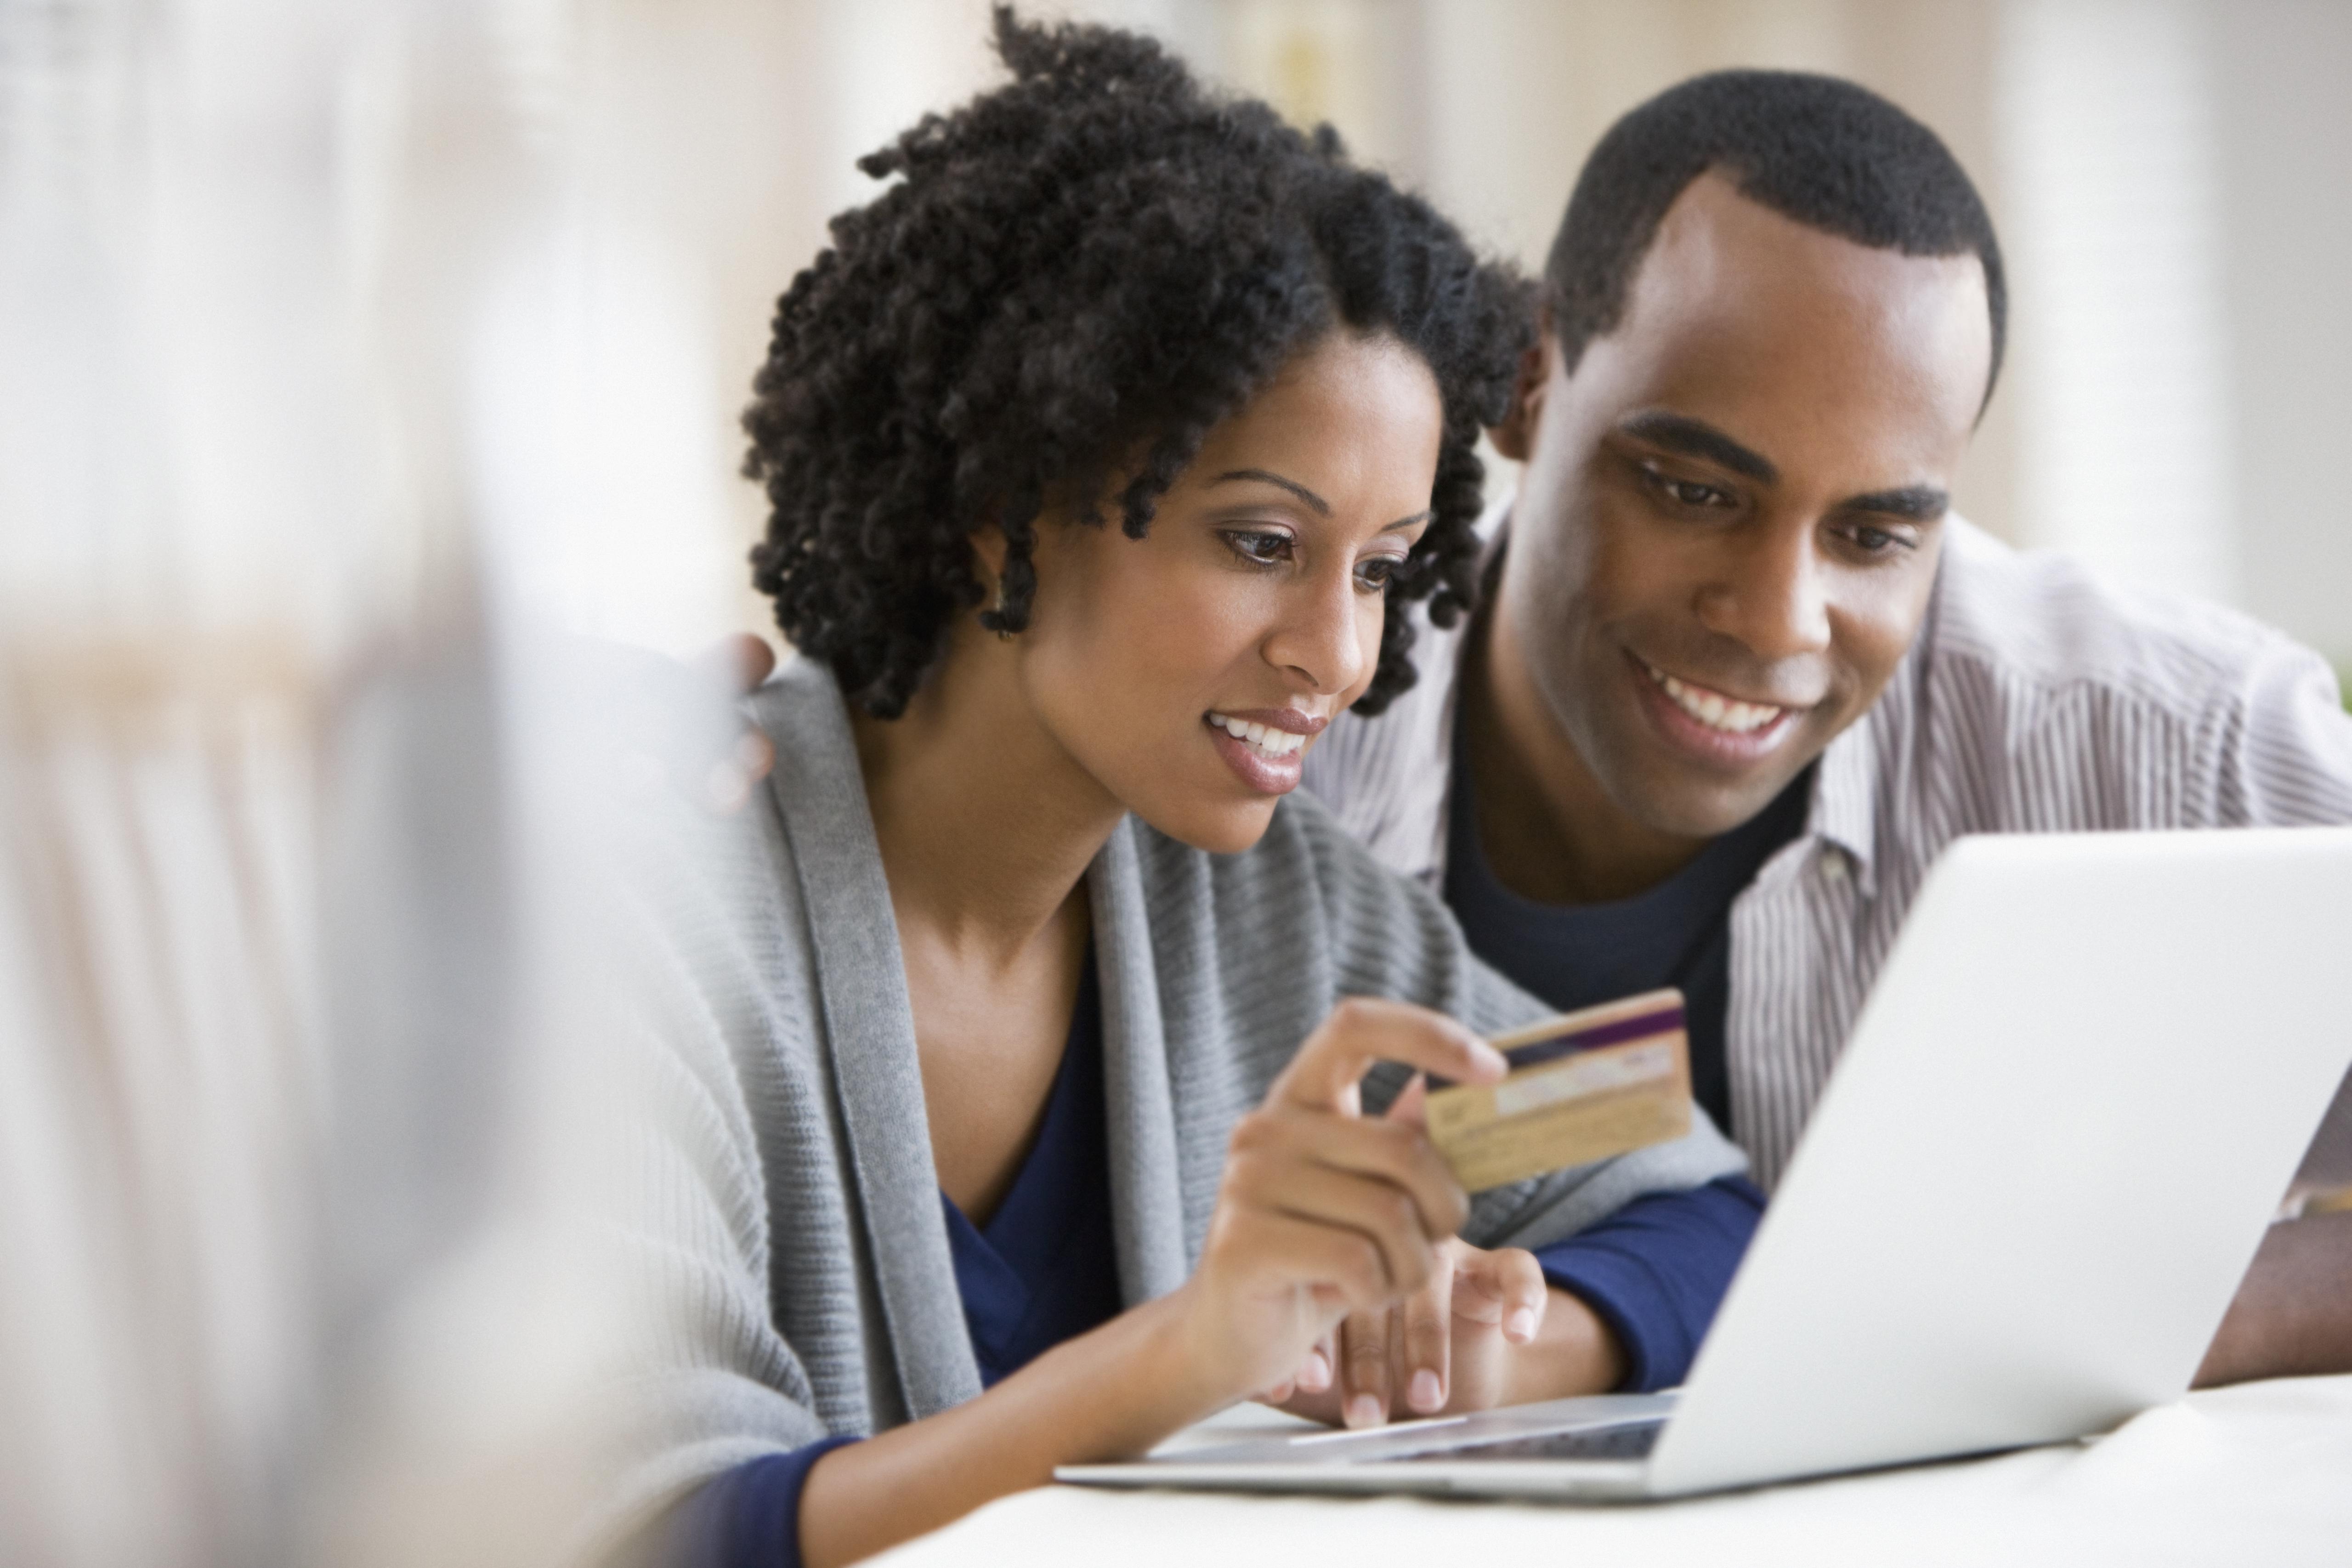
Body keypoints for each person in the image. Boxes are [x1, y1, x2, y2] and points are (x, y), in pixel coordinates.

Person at [604, 16, 1749, 1567]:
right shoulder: (656, 898)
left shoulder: (1268, 905)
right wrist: (1197, 1347)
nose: (1339, 655)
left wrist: (1503, 1333)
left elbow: (1683, 1183)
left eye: (1384, 571)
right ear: (1006, 516)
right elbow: (648, 1528)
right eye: (1264, 546)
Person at [1300, 69, 2352, 1384]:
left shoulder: (2171, 743)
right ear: (1525, 382)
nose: (1781, 621)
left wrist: (2153, 1309)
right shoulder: (1287, 737)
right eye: (1692, 490)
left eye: (1875, 535)